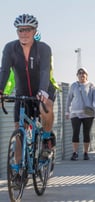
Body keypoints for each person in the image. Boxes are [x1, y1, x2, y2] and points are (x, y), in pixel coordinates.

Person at [0, 14, 58, 168]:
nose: (23, 33)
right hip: (22, 92)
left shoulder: (43, 48)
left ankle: (46, 139)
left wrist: (43, 91)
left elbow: (45, 70)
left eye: (27, 29)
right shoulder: (10, 48)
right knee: (18, 131)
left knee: (46, 107)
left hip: (44, 88)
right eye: (20, 30)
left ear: (34, 31)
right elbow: (4, 71)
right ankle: (18, 169)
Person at [65, 67, 95, 160]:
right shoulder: (73, 86)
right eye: (79, 73)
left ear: (87, 75)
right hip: (75, 113)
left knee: (86, 133)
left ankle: (85, 153)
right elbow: (68, 99)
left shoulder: (92, 86)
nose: (81, 75)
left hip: (88, 113)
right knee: (75, 132)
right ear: (77, 75)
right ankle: (75, 152)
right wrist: (67, 111)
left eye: (83, 73)